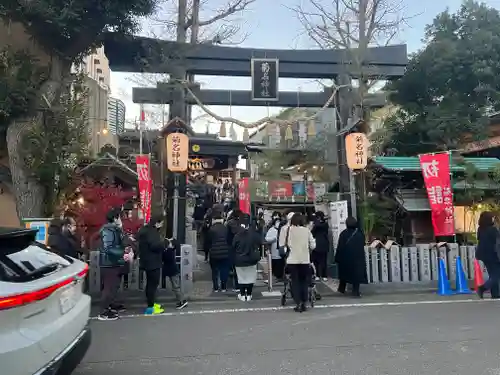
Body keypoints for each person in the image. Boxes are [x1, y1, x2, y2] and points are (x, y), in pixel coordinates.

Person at [98, 208, 127, 321]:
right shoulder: (108, 230)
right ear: (115, 218)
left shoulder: (115, 229)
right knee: (109, 288)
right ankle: (104, 311)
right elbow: (108, 248)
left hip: (114, 262)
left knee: (114, 286)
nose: (121, 220)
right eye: (120, 217)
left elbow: (120, 243)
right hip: (108, 263)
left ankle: (112, 304)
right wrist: (122, 253)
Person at [286, 213, 316, 312]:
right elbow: (313, 245)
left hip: (293, 260)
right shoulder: (306, 231)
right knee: (304, 281)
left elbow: (288, 244)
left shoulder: (289, 230)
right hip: (304, 260)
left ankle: (298, 303)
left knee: (295, 282)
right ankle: (304, 302)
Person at [335, 216, 367, 298]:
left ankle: (341, 288)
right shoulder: (359, 234)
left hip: (345, 258)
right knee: (356, 275)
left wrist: (337, 257)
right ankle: (355, 291)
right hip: (357, 259)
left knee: (344, 273)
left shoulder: (343, 234)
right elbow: (363, 244)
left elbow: (340, 246)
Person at [233, 214, 262, 301]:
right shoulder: (253, 234)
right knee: (250, 278)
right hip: (251, 259)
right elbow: (260, 242)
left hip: (239, 260)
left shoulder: (237, 235)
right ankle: (249, 295)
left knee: (241, 278)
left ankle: (242, 295)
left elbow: (233, 246)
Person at [476, 211, 500, 299]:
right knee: (496, 274)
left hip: (483, 255)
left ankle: (495, 294)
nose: (493, 219)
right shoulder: (493, 230)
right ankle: (482, 288)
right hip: (493, 254)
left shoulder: (480, 229)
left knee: (492, 274)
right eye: (492, 217)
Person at [207, 213, 232, 292]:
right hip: (225, 252)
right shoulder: (225, 228)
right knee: (224, 270)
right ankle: (224, 287)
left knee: (214, 271)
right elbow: (229, 240)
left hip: (214, 253)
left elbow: (208, 242)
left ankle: (215, 287)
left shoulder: (211, 229)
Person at [163, 237, 189, 309]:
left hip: (173, 271)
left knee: (176, 287)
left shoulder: (168, 251)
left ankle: (182, 301)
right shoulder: (171, 250)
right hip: (174, 271)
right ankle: (182, 300)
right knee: (176, 287)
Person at [310, 211, 330, 281]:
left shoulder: (317, 225)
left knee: (316, 261)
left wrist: (315, 223)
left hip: (317, 244)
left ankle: (318, 275)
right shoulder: (326, 224)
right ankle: (324, 275)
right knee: (323, 261)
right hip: (324, 244)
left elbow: (312, 233)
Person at [265, 217, 285, 281]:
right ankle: (276, 276)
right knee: (275, 264)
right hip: (274, 252)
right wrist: (274, 238)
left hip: (282, 251)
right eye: (277, 222)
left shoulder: (283, 229)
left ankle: (280, 277)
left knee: (281, 264)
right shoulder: (271, 230)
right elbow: (267, 239)